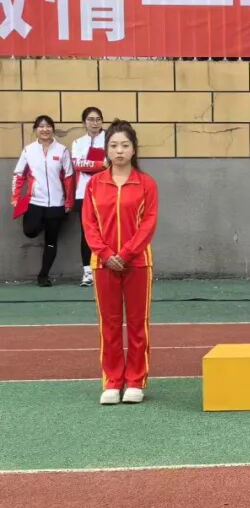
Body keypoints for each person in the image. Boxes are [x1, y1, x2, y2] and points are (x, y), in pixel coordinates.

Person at [82, 121, 159, 405]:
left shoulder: (146, 184)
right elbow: (89, 224)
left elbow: (148, 224)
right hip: (103, 265)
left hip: (137, 263)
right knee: (110, 324)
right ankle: (113, 381)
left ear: (134, 149)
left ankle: (136, 381)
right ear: (107, 150)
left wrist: (126, 254)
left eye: (125, 145)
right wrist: (105, 254)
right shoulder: (94, 184)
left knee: (138, 324)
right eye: (114, 145)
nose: (119, 151)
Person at [10, 115, 74, 286]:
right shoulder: (28, 150)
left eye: (48, 126)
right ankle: (43, 222)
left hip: (56, 204)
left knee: (51, 241)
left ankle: (43, 276)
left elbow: (68, 177)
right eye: (41, 126)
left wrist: (68, 202)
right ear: (36, 130)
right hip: (35, 202)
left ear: (53, 129)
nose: (45, 129)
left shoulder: (62, 150)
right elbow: (19, 174)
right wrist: (15, 196)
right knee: (30, 231)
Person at [71, 106, 107, 288]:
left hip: (106, 191)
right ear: (84, 122)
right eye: (91, 119)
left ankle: (106, 268)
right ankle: (87, 272)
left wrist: (92, 165)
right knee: (87, 232)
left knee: (106, 230)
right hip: (83, 193)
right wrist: (100, 165)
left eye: (98, 119)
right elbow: (77, 164)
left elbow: (112, 163)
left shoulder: (110, 139)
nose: (95, 123)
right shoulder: (78, 142)